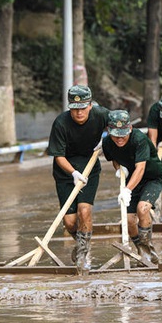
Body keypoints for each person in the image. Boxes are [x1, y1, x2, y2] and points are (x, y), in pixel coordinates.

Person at [47, 86, 109, 273]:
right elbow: (58, 156)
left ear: (90, 105)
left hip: (90, 168)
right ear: (69, 107)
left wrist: (109, 139)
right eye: (75, 108)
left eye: (83, 107)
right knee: (70, 222)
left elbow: (122, 122)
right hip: (65, 171)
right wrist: (73, 173)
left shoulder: (101, 115)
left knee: (84, 211)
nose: (79, 112)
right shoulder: (61, 123)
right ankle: (82, 242)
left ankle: (84, 254)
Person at [102, 110, 162, 265]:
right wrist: (119, 168)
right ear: (109, 132)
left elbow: (141, 169)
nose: (119, 139)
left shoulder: (139, 139)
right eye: (115, 135)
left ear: (130, 128)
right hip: (131, 179)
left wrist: (127, 190)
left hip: (151, 177)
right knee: (129, 220)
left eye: (123, 134)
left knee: (142, 209)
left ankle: (147, 251)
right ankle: (141, 249)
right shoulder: (107, 143)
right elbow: (114, 159)